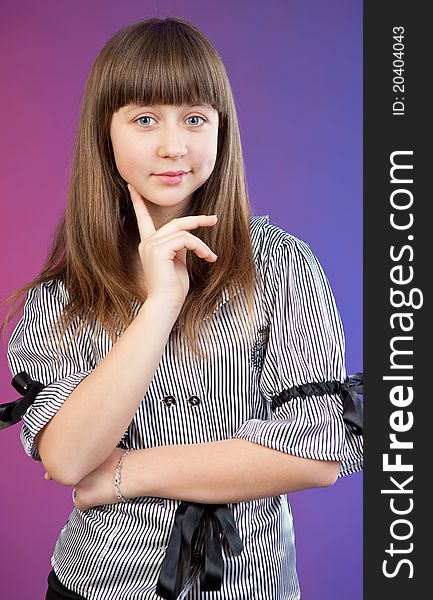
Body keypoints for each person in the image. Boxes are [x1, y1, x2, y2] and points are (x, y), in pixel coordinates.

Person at [2, 16, 363, 600]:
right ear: (106, 134)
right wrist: (160, 305)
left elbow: (318, 452)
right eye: (144, 120)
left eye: (195, 118)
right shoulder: (65, 295)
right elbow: (68, 459)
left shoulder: (282, 266)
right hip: (99, 584)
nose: (174, 146)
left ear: (222, 131)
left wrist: (123, 474)